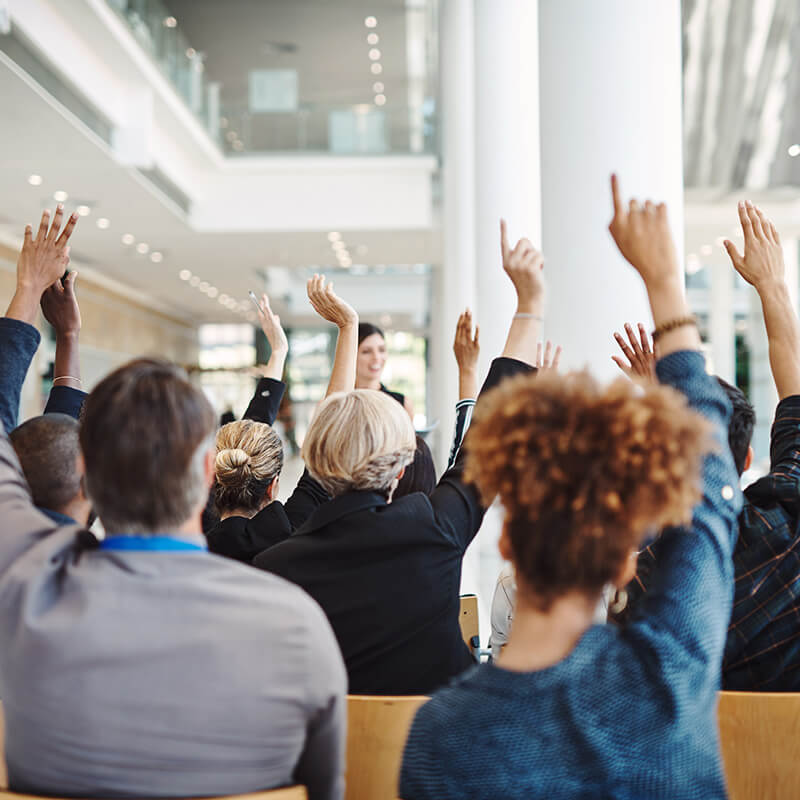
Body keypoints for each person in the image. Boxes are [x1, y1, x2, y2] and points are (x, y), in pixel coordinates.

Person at [399, 177, 742, 800]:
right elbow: (712, 473)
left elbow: (712, 477)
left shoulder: (440, 737)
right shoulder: (668, 679)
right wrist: (664, 283)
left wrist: (532, 308)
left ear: (507, 545)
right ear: (621, 561)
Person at [0, 213, 347, 800]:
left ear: (85, 471)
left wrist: (28, 292)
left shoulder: (27, 588)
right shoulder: (294, 625)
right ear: (207, 472)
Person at [254, 220, 543, 696]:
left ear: (319, 463)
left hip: (332, 767)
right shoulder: (432, 529)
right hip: (432, 762)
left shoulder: (275, 564)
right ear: (400, 467)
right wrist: (529, 306)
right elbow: (487, 439)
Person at [614, 200, 800, 692]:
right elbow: (795, 388)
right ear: (746, 459)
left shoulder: (647, 570)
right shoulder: (789, 510)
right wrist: (772, 284)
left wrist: (659, 400)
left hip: (696, 763)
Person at [206, 284, 357, 563]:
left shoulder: (194, 536)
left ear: (214, 472)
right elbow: (332, 420)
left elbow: (248, 440)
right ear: (273, 486)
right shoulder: (289, 534)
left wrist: (278, 352)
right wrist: (348, 326)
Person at [356, 321, 415, 419]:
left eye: (381, 350)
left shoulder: (402, 403)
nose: (376, 357)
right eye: (366, 351)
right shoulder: (339, 402)